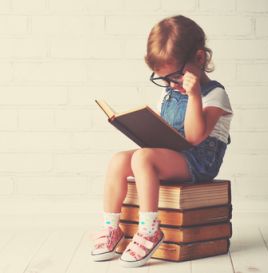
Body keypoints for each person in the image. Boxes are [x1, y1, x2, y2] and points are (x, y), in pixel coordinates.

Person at [90, 15, 233, 268]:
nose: (169, 84)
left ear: (199, 59)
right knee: (119, 160)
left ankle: (149, 230)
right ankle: (112, 227)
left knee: (143, 158)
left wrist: (195, 95)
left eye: (175, 77)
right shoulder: (169, 94)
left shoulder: (215, 95)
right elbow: (165, 130)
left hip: (199, 163)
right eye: (163, 79)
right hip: (172, 155)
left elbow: (194, 136)